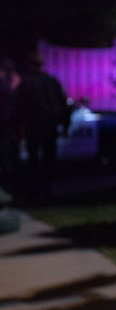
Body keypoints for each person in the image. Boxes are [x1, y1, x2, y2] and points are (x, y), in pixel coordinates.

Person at [12, 52, 69, 204]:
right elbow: (63, 104)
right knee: (48, 158)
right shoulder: (51, 82)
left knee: (34, 159)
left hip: (33, 126)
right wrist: (65, 124)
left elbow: (19, 107)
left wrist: (18, 127)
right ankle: (47, 189)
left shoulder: (27, 83)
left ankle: (35, 191)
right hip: (49, 125)